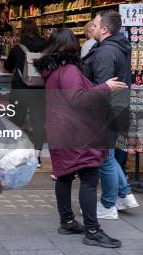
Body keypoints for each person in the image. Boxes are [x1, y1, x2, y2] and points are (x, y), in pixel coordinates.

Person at [34, 29, 125, 249]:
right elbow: (77, 99)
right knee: (89, 179)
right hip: (78, 132)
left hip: (59, 129)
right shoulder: (70, 69)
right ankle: (92, 231)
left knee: (64, 176)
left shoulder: (53, 70)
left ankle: (67, 222)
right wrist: (105, 87)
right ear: (73, 46)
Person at [83, 10, 139, 219]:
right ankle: (124, 195)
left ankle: (108, 206)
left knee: (104, 158)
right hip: (118, 108)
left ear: (104, 29)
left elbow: (103, 86)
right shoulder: (119, 46)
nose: (92, 28)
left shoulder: (106, 52)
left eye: (95, 26)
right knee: (109, 155)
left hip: (105, 112)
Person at [4, 19, 46, 162]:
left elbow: (8, 67)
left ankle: (16, 154)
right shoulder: (46, 45)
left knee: (16, 120)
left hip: (20, 88)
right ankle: (37, 157)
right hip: (40, 89)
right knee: (38, 122)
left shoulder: (17, 48)